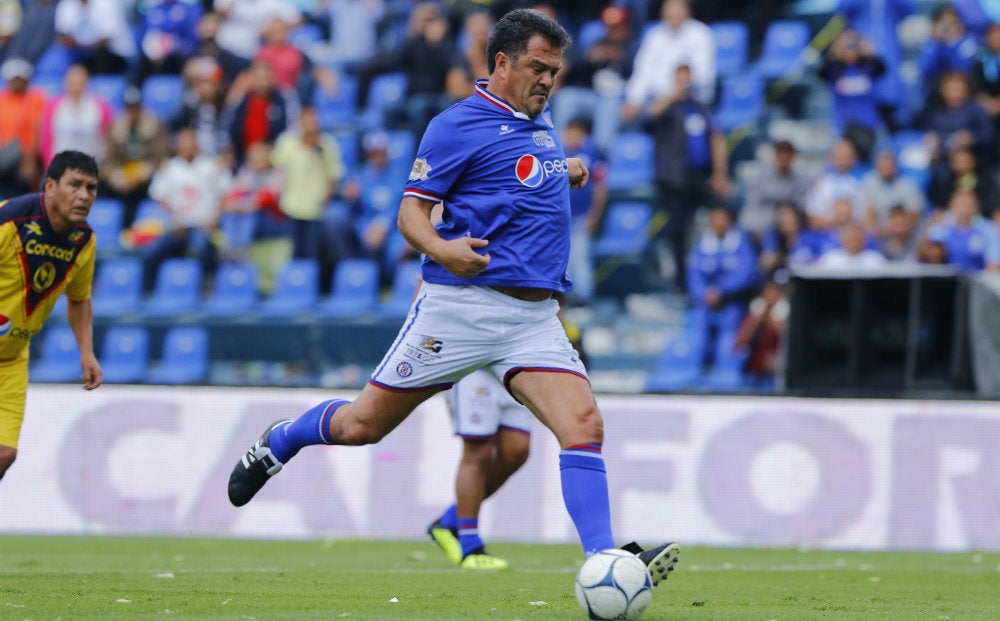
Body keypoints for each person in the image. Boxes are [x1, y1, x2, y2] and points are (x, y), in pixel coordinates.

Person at [227, 8, 680, 584]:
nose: (548, 80)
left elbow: (516, 175)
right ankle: (281, 440)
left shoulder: (538, 125)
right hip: (460, 308)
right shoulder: (455, 125)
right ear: (501, 62)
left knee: (584, 424)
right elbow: (409, 213)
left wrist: (563, 169)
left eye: (555, 71)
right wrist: (443, 252)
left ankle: (604, 560)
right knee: (363, 427)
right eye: (538, 67)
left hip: (532, 317)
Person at [0, 150, 103, 481]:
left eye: (91, 188)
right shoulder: (10, 220)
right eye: (75, 185)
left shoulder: (83, 241)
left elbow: (79, 300)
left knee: (4, 454)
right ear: (50, 186)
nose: (84, 196)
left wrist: (86, 352)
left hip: (10, 360)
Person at [427, 369, 533, 570]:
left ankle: (449, 521)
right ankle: (470, 547)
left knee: (517, 451)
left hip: (515, 363)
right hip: (475, 364)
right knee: (479, 452)